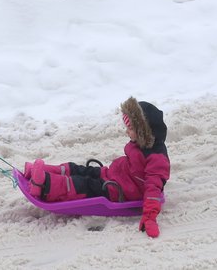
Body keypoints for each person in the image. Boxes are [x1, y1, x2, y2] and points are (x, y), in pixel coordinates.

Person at [23, 97, 169, 238]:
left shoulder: (157, 159)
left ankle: (44, 184)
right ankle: (42, 171)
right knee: (80, 170)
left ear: (143, 131)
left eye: (130, 128)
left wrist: (149, 218)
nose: (126, 132)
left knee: (83, 185)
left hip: (117, 190)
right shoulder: (143, 143)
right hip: (113, 175)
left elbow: (153, 190)